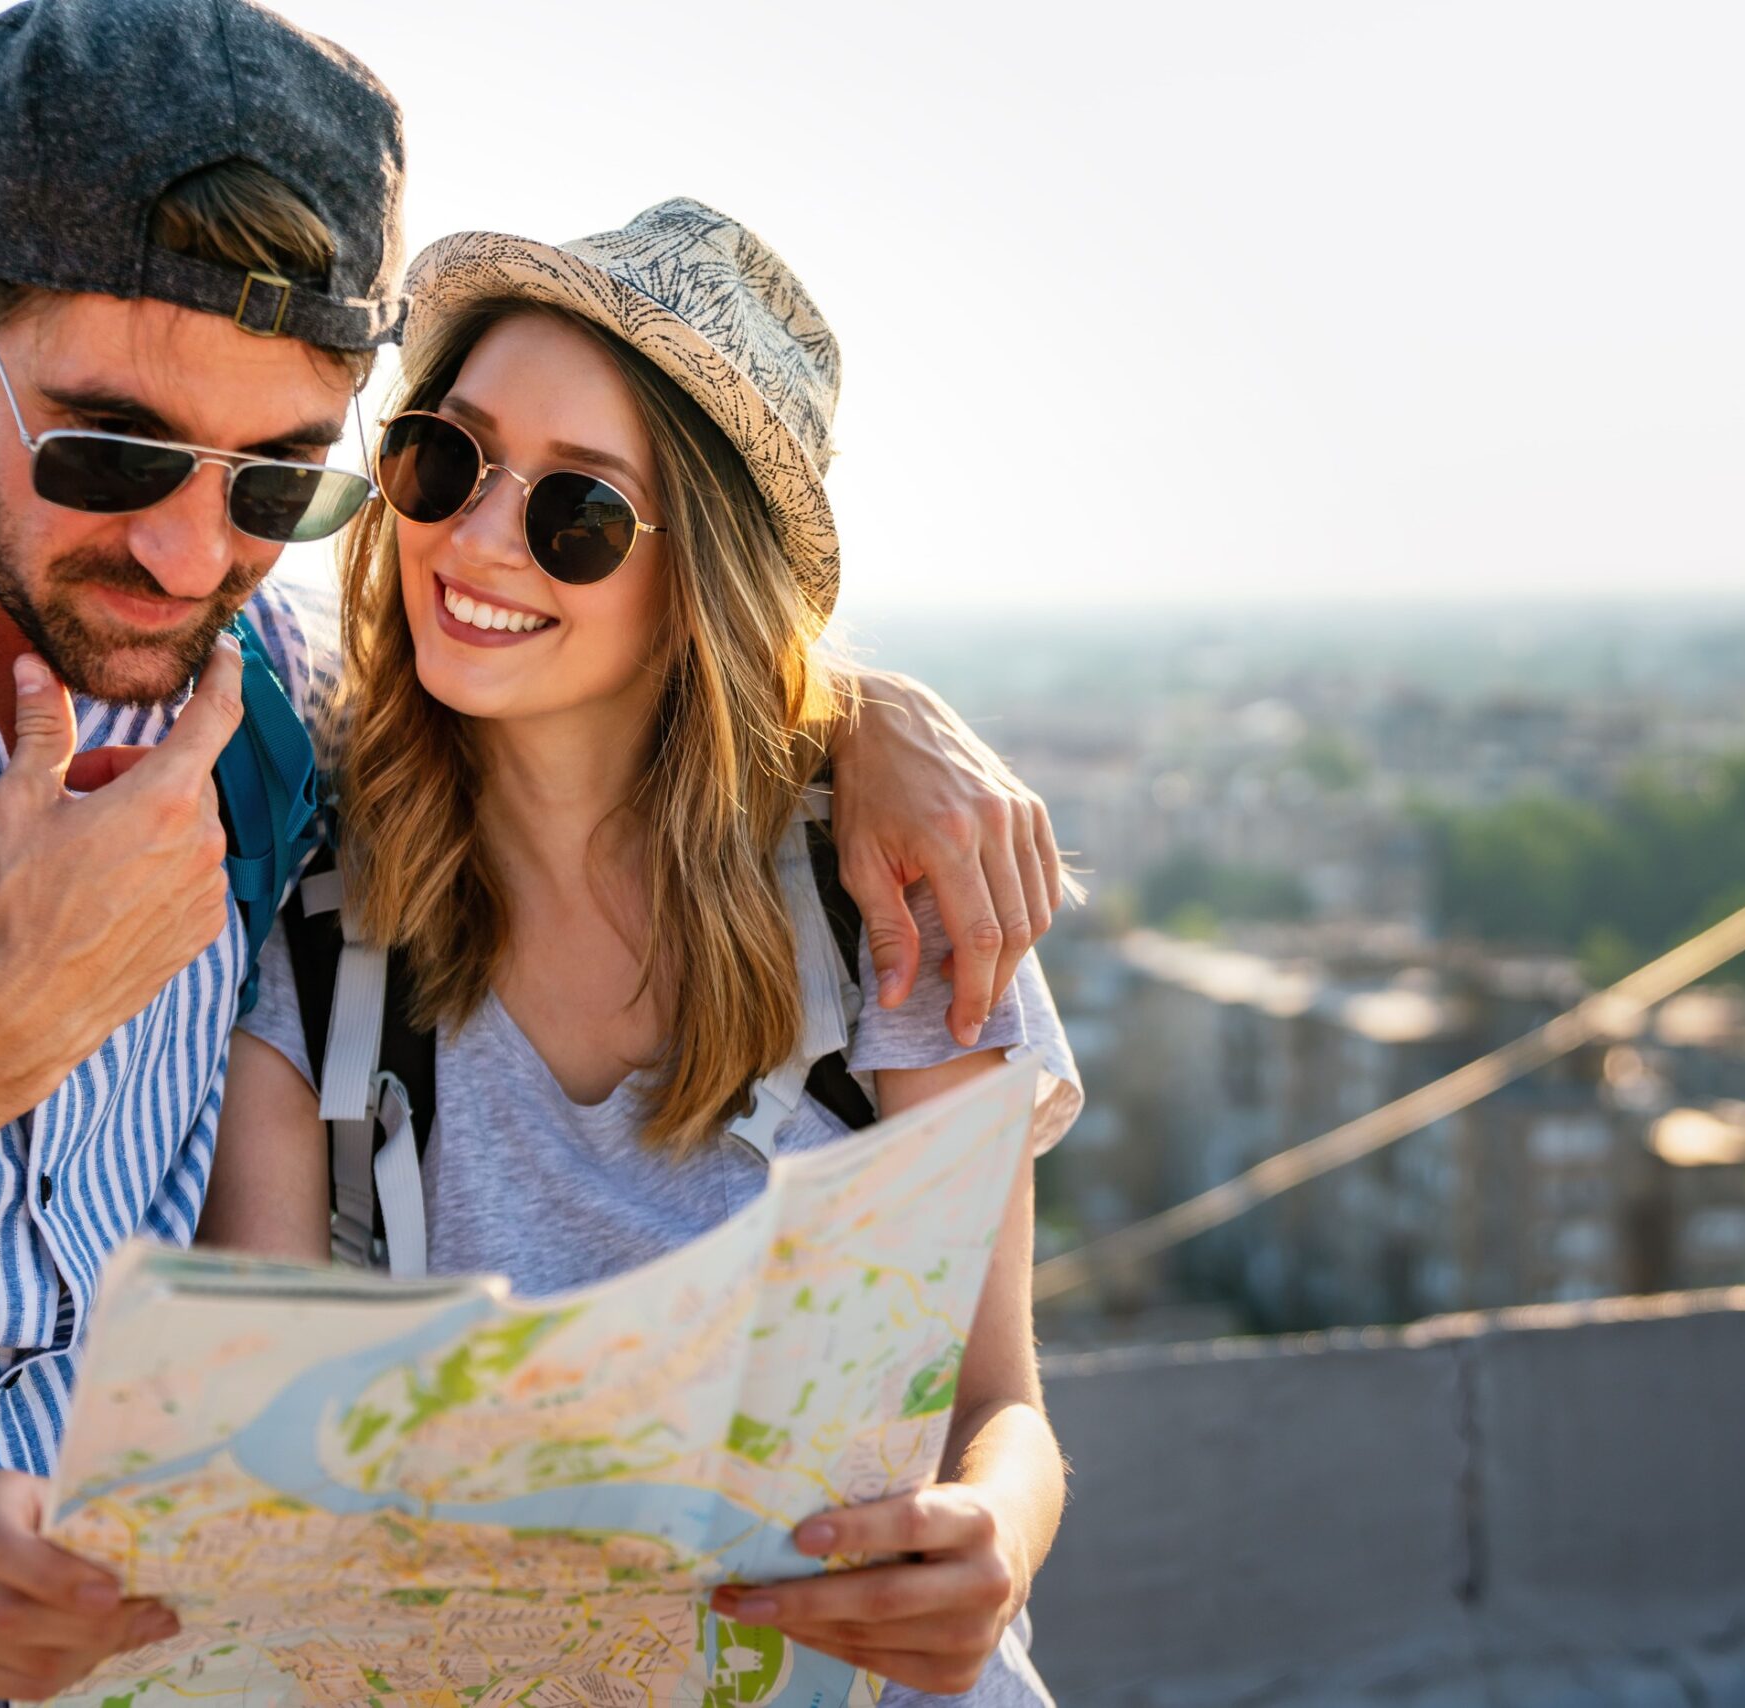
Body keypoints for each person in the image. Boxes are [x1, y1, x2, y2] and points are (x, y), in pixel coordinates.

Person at [0, 6, 1061, 1704]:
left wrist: (873, 718)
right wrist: (6, 1025)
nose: (188, 545)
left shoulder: (269, 699)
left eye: (284, 478)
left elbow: (607, 696)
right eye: (110, 446)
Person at [194, 201, 1085, 1705]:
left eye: (578, 514)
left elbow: (998, 1403)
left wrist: (992, 1538)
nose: (475, 540)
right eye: (444, 460)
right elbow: (255, 1465)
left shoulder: (888, 897)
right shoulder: (321, 923)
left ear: (702, 575)